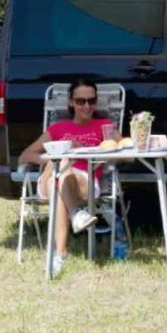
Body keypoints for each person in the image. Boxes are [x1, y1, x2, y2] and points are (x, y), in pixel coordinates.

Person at [18, 78, 120, 275]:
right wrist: (52, 157)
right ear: (71, 102)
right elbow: (25, 156)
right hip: (49, 179)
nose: (87, 106)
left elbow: (125, 148)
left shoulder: (104, 126)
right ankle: (76, 214)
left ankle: (60, 254)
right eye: (81, 101)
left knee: (59, 183)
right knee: (61, 164)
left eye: (91, 101)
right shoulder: (57, 129)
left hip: (84, 182)